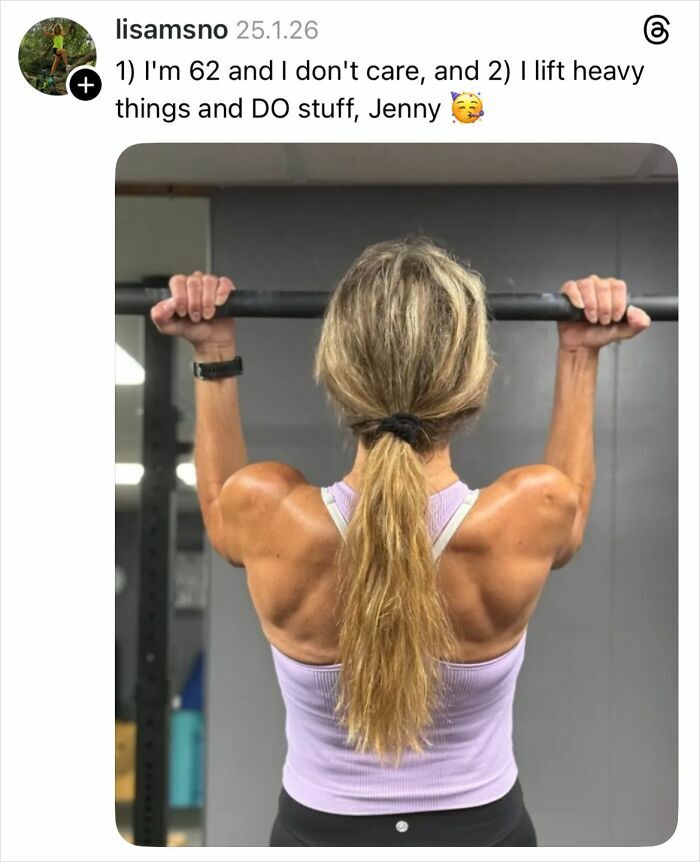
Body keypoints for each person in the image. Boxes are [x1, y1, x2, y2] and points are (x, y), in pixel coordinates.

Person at [151, 238, 651, 846]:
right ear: (473, 378)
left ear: (337, 373)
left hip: (320, 837)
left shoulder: (262, 512)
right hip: (484, 834)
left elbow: (219, 500)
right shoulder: (536, 512)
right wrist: (579, 355)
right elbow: (571, 508)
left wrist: (214, 348)